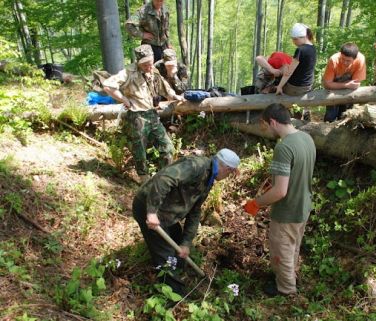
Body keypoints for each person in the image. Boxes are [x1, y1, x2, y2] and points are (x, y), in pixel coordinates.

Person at [132, 148, 241, 294]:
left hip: (166, 213)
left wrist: (186, 243)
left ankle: (179, 273)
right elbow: (164, 179)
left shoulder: (208, 178)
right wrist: (151, 212)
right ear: (228, 169)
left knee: (179, 244)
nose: (229, 176)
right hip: (149, 205)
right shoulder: (196, 166)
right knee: (166, 255)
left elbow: (195, 212)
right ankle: (173, 296)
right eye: (231, 173)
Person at [244, 103, 316, 296]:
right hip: (303, 205)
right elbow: (298, 174)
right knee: (293, 246)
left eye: (266, 126)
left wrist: (256, 203)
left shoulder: (283, 148)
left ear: (273, 122)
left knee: (282, 249)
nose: (266, 131)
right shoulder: (306, 138)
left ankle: (285, 289)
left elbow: (280, 192)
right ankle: (289, 276)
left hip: (287, 210)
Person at [103, 45, 183, 183]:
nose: (149, 67)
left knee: (167, 146)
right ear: (138, 63)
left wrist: (175, 95)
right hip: (137, 116)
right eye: (145, 64)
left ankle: (164, 177)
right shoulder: (128, 72)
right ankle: (144, 179)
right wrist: (124, 99)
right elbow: (108, 85)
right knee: (140, 149)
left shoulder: (153, 70)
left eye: (151, 63)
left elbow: (164, 86)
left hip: (152, 114)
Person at [323, 43, 367, 122]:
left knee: (345, 115)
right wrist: (346, 85)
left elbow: (355, 85)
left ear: (355, 58)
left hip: (348, 92)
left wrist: (346, 86)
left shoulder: (360, 60)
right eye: (343, 59)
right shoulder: (334, 59)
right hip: (332, 92)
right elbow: (327, 84)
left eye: (348, 61)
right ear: (340, 54)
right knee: (330, 116)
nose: (345, 62)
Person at [276, 23, 317, 96]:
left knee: (275, 80)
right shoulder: (313, 48)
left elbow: (289, 73)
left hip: (296, 88)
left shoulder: (300, 50)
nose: (294, 42)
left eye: (295, 39)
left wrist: (279, 87)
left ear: (304, 37)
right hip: (308, 86)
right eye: (293, 39)